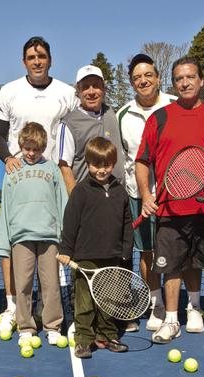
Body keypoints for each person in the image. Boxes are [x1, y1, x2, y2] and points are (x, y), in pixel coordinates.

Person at [135, 57, 204, 346]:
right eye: (179, 79)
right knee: (171, 268)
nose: (185, 82)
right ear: (173, 83)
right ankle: (170, 321)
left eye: (191, 77)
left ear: (201, 81)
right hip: (170, 210)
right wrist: (146, 194)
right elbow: (142, 161)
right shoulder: (159, 118)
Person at [0, 36, 77, 335]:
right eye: (31, 57)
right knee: (20, 266)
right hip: (21, 183)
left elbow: (76, 129)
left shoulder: (68, 93)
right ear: (24, 61)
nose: (37, 61)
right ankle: (17, 312)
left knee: (50, 273)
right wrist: (8, 158)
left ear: (50, 59)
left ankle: (53, 319)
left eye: (41, 56)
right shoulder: (10, 92)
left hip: (53, 180)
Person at [117, 53, 178, 332]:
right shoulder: (122, 115)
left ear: (158, 78)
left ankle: (183, 306)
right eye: (137, 78)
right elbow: (127, 158)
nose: (143, 81)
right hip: (138, 195)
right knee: (147, 252)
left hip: (175, 195)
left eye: (148, 75)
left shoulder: (176, 106)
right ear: (132, 83)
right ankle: (157, 304)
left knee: (177, 252)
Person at [57, 137, 133, 359]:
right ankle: (83, 340)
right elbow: (70, 223)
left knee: (109, 301)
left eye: (107, 165)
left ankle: (107, 336)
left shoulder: (120, 192)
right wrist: (66, 250)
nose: (102, 170)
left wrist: (126, 250)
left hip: (113, 257)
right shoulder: (80, 192)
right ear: (88, 164)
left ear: (113, 163)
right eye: (97, 165)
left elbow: (127, 224)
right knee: (85, 302)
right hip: (84, 259)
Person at [0, 122, 67, 344]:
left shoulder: (52, 169)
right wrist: (4, 241)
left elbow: (62, 202)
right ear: (21, 145)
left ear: (43, 147)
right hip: (20, 237)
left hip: (49, 237)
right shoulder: (12, 171)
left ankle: (52, 326)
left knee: (51, 284)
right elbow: (6, 207)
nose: (31, 153)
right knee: (23, 284)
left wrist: (64, 236)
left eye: (36, 149)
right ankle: (25, 327)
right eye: (27, 148)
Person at [56, 65, 126, 193]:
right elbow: (64, 166)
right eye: (86, 87)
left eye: (96, 85)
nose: (91, 92)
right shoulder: (69, 123)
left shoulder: (111, 113)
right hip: (89, 199)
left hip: (117, 195)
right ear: (78, 90)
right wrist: (76, 201)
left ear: (103, 89)